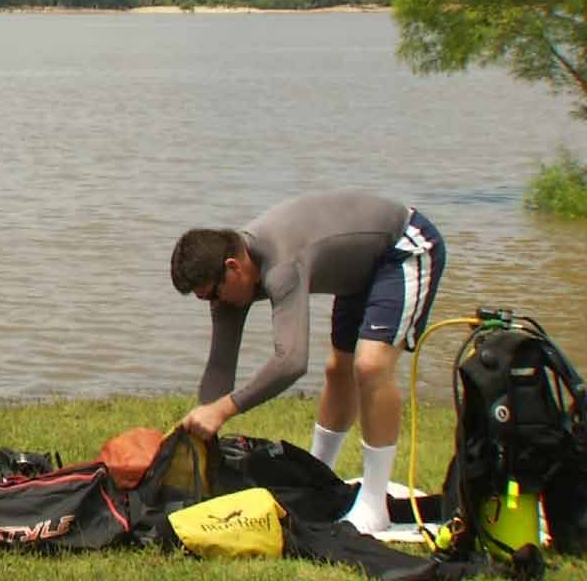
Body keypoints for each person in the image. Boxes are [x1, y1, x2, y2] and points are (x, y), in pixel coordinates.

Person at [169, 191, 446, 533]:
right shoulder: (232, 280)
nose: (213, 303)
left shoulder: (281, 266)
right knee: (337, 370)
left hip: (403, 247)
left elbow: (291, 362)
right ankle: (318, 475)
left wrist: (224, 409)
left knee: (371, 366)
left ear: (233, 266)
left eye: (212, 294)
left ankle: (375, 505)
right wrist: (201, 432)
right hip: (356, 273)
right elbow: (221, 367)